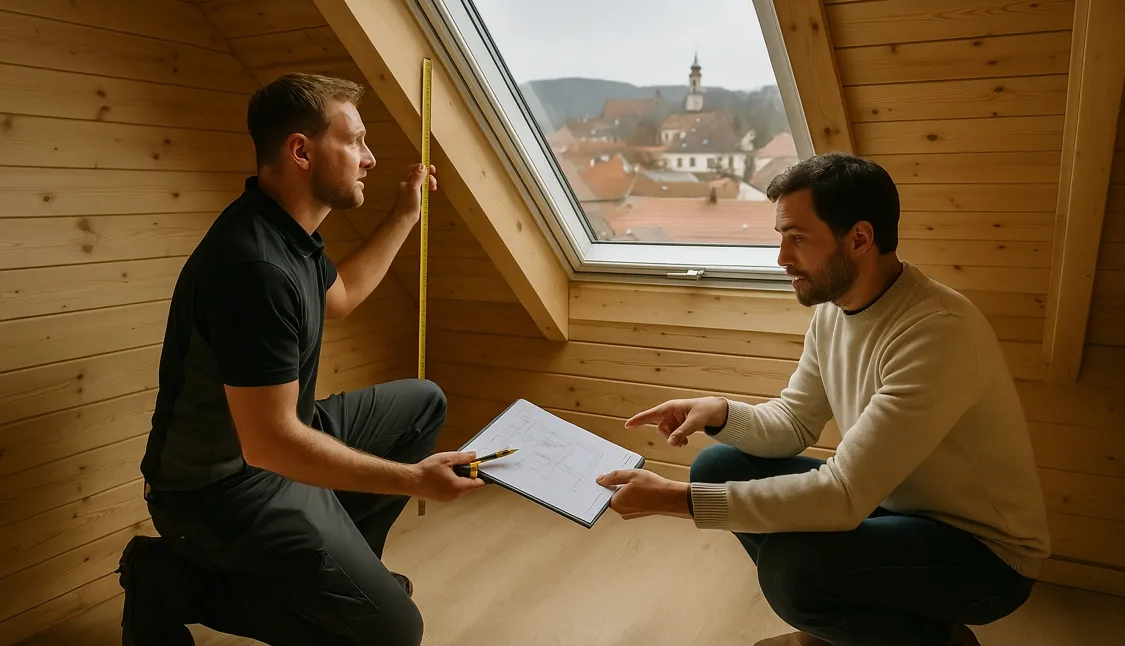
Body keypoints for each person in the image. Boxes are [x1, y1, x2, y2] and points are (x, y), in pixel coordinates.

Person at [596, 153, 1051, 646]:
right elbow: (794, 422)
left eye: (797, 238)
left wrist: (675, 499)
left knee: (793, 572)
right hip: (892, 506)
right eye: (780, 238)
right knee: (718, 465)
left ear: (858, 238)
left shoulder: (937, 333)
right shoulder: (837, 311)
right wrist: (719, 411)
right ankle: (857, 630)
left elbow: (842, 496)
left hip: (982, 556)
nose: (781, 258)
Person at [117, 73, 485, 646]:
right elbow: (271, 446)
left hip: (273, 442)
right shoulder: (255, 268)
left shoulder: (288, 231)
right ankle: (168, 579)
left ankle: (342, 580)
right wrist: (412, 481)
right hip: (218, 492)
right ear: (301, 151)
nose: (369, 158)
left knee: (422, 403)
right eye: (355, 141)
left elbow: (339, 299)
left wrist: (405, 215)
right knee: (393, 632)